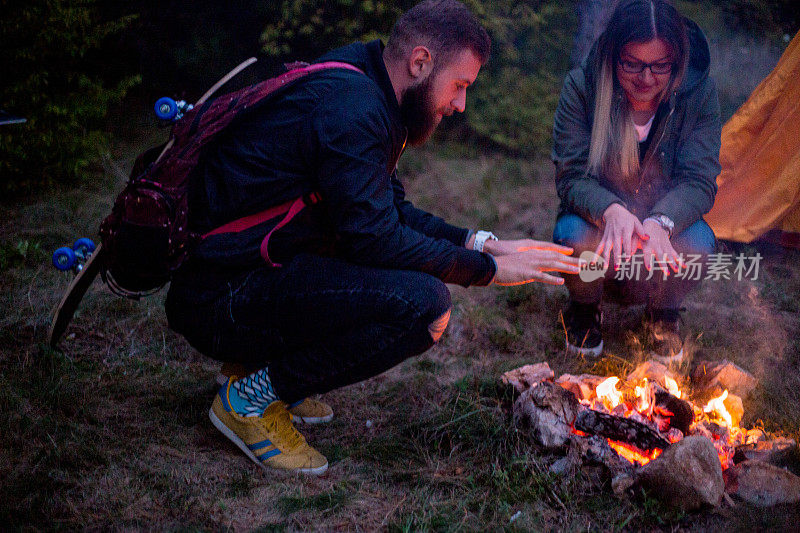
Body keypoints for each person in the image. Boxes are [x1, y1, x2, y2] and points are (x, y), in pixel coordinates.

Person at [165, 0, 582, 475]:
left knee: (394, 278)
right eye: (459, 85)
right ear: (420, 62)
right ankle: (251, 400)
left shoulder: (362, 79)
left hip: (242, 274)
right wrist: (486, 272)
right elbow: (375, 239)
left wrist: (480, 243)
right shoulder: (353, 108)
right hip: (221, 297)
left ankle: (255, 371)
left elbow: (388, 208)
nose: (460, 105)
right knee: (424, 307)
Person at [551, 0, 720, 359]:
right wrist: (610, 210)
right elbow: (570, 176)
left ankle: (663, 314)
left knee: (700, 244)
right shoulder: (583, 88)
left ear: (677, 60)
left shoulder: (698, 93)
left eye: (660, 66)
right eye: (632, 64)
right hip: (599, 224)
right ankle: (585, 307)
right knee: (572, 236)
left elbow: (700, 180)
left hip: (663, 226)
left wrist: (662, 221)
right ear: (614, 56)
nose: (646, 79)